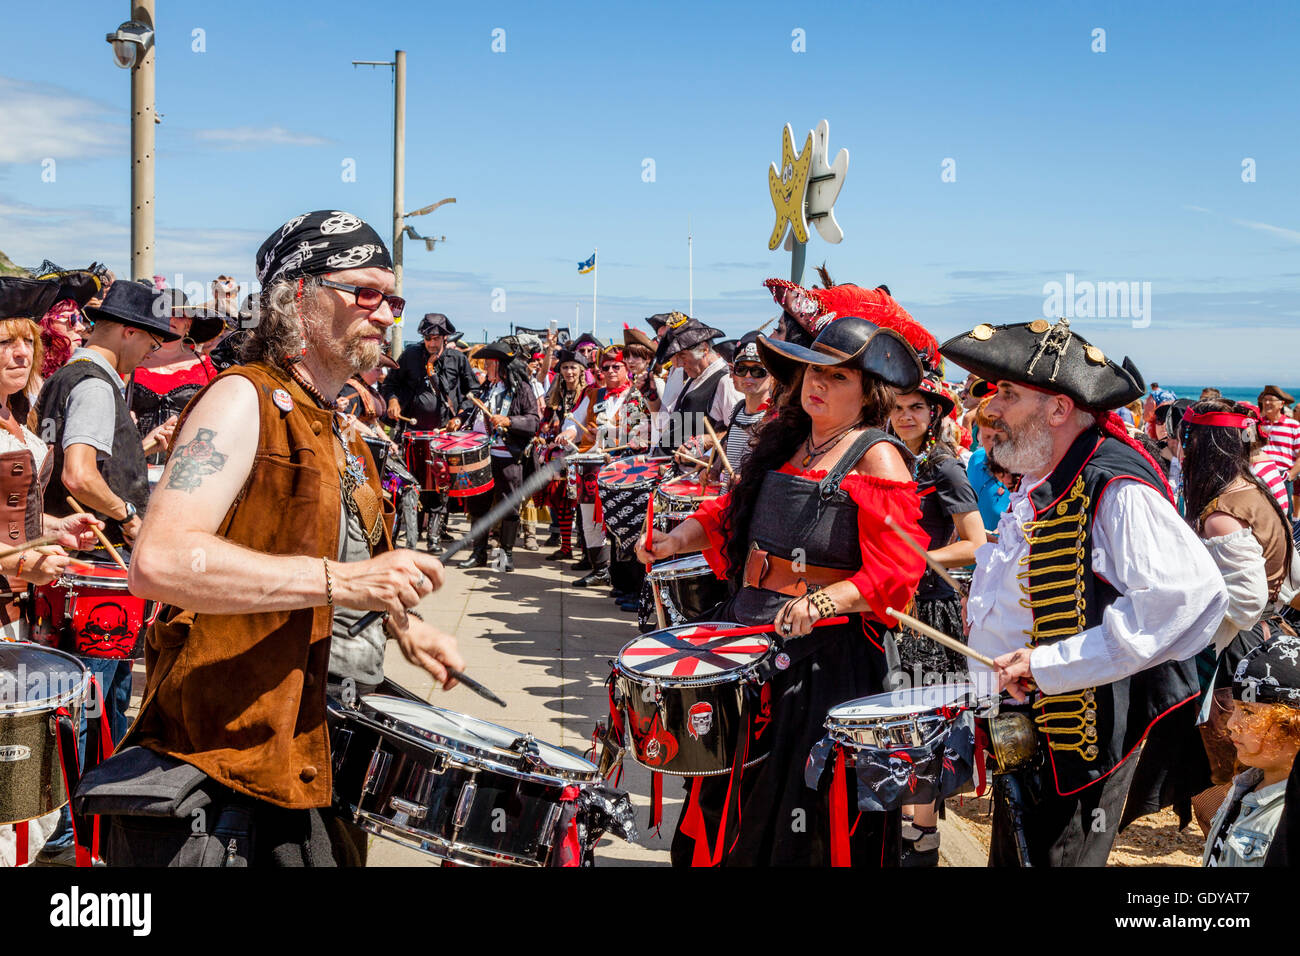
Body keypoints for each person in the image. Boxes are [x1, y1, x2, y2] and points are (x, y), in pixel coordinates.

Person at [95, 209, 462, 867]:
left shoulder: (347, 431)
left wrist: (404, 625)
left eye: (395, 297)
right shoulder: (242, 400)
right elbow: (159, 559)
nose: (386, 313)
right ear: (298, 293)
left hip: (323, 759)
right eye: (366, 291)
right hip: (233, 765)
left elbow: (356, 567)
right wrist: (341, 582)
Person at [637, 314, 929, 866]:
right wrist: (676, 539)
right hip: (746, 635)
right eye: (812, 371)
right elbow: (730, 513)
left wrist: (825, 600)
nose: (816, 383)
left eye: (837, 377)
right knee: (728, 790)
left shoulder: (877, 455)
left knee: (794, 811)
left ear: (869, 392)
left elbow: (898, 573)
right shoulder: (787, 441)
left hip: (822, 662)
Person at [943, 317, 1227, 867]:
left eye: (1007, 393)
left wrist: (1049, 665)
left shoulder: (1112, 482)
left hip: (1078, 738)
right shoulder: (1048, 472)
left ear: (1058, 408)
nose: (988, 408)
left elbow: (1185, 595)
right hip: (1022, 723)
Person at [887, 373, 986, 865]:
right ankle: (894, 828)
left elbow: (976, 543)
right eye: (899, 406)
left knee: (922, 724)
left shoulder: (943, 467)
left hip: (927, 611)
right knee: (887, 721)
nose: (906, 415)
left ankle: (921, 839)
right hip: (884, 609)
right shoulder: (880, 458)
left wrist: (919, 559)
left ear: (935, 415)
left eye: (917, 408)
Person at [556, 345, 650, 587]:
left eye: (615, 366)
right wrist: (568, 431)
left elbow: (644, 431)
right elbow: (574, 420)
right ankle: (600, 569)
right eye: (605, 367)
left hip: (624, 465)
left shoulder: (637, 395)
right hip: (593, 462)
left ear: (626, 369)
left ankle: (626, 579)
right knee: (590, 519)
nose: (609, 371)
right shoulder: (594, 394)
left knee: (621, 520)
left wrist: (611, 435)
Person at [381, 313, 478, 546]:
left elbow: (472, 393)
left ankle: (435, 536)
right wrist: (392, 400)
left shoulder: (457, 359)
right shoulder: (410, 356)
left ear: (445, 338)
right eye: (428, 338)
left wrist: (462, 416)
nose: (432, 343)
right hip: (411, 434)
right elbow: (391, 384)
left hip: (444, 434)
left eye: (436, 338)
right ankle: (411, 537)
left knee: (440, 485)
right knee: (411, 485)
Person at [1204, 639, 1300, 866]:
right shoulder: (1244, 785)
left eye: (1248, 712)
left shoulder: (1288, 815)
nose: (1231, 724)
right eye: (1235, 709)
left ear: (1294, 724)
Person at [456, 339, 540, 572]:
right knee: (478, 505)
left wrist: (509, 420)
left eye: (488, 364)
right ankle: (478, 552)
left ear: (500, 365)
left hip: (507, 456)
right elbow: (472, 411)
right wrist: (459, 419)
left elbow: (533, 421)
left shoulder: (521, 389)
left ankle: (506, 555)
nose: (484, 369)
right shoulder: (486, 388)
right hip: (481, 456)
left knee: (509, 505)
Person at [129, 290, 225, 473]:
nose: (171, 318)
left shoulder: (207, 367)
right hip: (133, 464)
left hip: (189, 469)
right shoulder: (130, 363)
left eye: (179, 314)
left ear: (189, 323)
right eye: (164, 312)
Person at [655, 318, 740, 457]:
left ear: (704, 348)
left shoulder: (726, 381)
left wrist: (705, 441)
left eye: (682, 355)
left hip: (695, 474)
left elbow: (738, 433)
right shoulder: (694, 377)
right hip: (668, 467)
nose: (679, 364)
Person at [540, 348, 587, 560]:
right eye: (565, 367)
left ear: (581, 370)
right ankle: (566, 546)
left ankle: (587, 550)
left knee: (584, 504)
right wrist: (546, 431)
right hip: (558, 455)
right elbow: (545, 422)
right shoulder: (555, 396)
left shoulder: (588, 395)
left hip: (582, 453)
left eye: (573, 368)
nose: (569, 372)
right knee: (563, 502)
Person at [718, 331, 772, 488]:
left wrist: (749, 479)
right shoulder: (738, 408)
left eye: (758, 370)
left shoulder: (774, 417)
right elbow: (729, 446)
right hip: (726, 501)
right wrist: (715, 468)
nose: (748, 376)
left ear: (772, 374)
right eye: (741, 369)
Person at [1258, 386, 1300, 518]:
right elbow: (1247, 446)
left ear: (1281, 403)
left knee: (1285, 517)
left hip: (1282, 476)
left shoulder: (1293, 425)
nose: (1267, 403)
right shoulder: (1257, 424)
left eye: (1271, 400)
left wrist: (1290, 476)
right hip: (1259, 477)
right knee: (1260, 515)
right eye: (1265, 400)